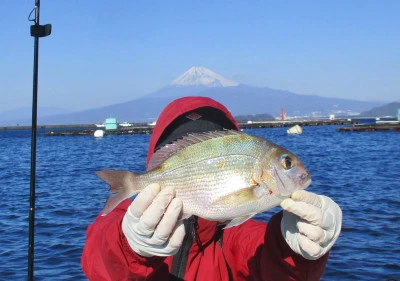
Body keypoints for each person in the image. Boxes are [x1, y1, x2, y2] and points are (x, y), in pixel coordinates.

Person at [82, 96, 342, 281]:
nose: (298, 171)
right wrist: (130, 246)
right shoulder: (130, 219)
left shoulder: (234, 234)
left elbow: (263, 256)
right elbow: (97, 257)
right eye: (287, 163)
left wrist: (290, 247)